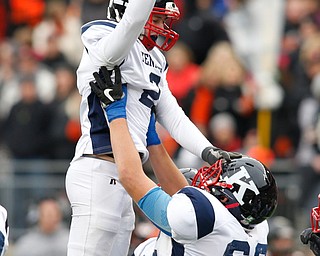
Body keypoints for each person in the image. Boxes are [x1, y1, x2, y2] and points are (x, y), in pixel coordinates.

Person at [65, 0, 241, 255]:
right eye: (155, 19)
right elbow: (132, 23)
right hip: (98, 168)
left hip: (128, 174)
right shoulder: (103, 37)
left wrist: (209, 151)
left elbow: (173, 115)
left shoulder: (156, 58)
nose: (160, 28)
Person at [89, 65, 278, 255]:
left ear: (235, 197)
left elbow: (130, 176)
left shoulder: (202, 216)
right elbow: (181, 194)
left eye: (219, 179)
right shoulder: (256, 229)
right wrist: (152, 137)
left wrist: (115, 113)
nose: (209, 178)